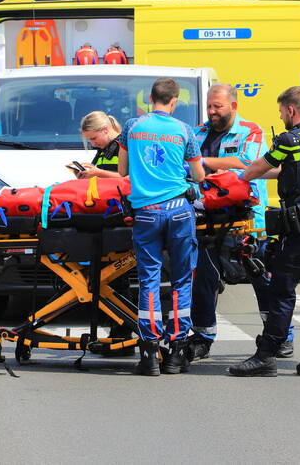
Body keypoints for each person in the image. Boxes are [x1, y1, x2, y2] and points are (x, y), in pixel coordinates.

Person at [229, 86, 300, 378]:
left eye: (281, 111)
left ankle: (266, 356)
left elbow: (256, 169)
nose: (281, 116)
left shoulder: (289, 139)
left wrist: (233, 179)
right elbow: (287, 170)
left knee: (282, 290)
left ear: (291, 110)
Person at [184, 84, 294, 361]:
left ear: (233, 106)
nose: (212, 112)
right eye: (209, 106)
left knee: (264, 278)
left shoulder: (250, 131)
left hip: (246, 220)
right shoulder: (197, 132)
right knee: (204, 280)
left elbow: (247, 162)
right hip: (206, 218)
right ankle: (202, 337)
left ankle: (280, 335)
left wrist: (200, 161)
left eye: (217, 106)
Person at [118, 78, 204, 376]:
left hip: (146, 213)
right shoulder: (184, 130)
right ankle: (177, 354)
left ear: (149, 99)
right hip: (179, 211)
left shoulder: (131, 127)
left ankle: (150, 353)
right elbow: (199, 174)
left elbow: (122, 171)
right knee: (181, 280)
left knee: (149, 280)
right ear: (174, 100)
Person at [76, 111, 122, 179]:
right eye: (90, 140)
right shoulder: (102, 149)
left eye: (94, 138)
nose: (93, 144)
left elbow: (132, 178)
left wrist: (99, 173)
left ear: (105, 130)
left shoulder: (125, 146)